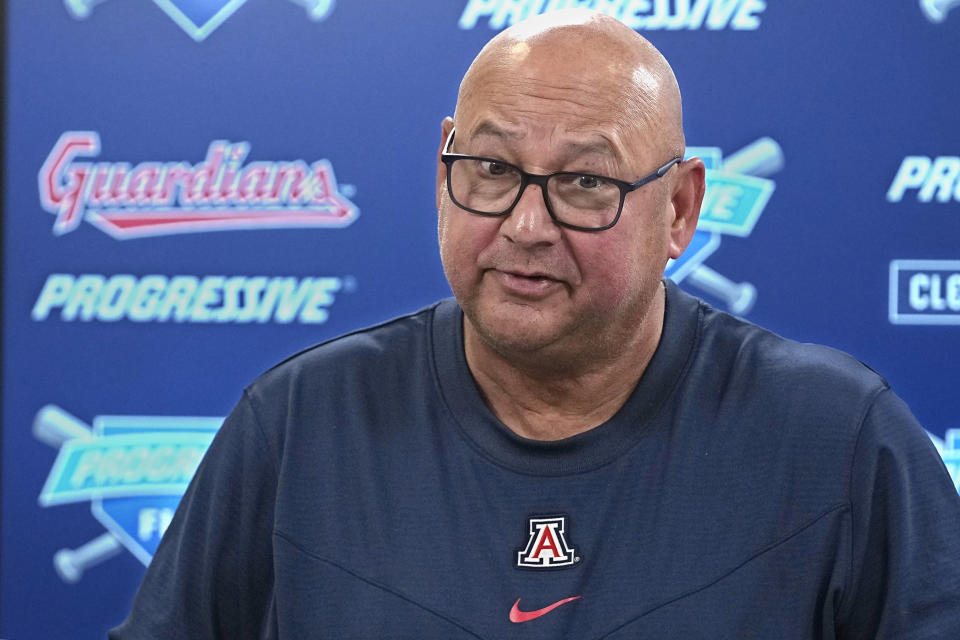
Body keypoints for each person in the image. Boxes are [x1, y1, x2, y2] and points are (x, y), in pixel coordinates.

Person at [110, 10, 960, 639]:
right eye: (489, 168)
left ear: (680, 210)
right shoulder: (300, 421)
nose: (525, 224)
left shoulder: (836, 437)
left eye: (586, 183)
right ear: (444, 166)